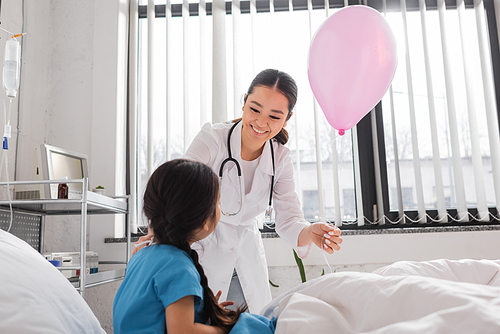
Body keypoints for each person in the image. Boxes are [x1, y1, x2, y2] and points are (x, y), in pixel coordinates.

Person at [134, 68, 343, 314]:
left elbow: (289, 219)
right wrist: (155, 232)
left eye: (275, 116)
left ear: (287, 119)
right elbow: (177, 188)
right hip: (202, 254)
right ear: (244, 102)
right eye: (255, 109)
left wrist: (311, 232)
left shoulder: (280, 159)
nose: (261, 123)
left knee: (250, 327)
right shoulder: (213, 138)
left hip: (245, 261)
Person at [113, 159, 276, 334]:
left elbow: (156, 317)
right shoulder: (178, 267)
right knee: (250, 325)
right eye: (218, 203)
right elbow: (182, 331)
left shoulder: (141, 256)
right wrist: (224, 329)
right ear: (204, 221)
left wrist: (200, 316)